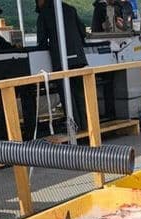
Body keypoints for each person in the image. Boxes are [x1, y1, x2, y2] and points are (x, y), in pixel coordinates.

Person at [36, 0, 88, 129]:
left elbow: (41, 41)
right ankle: (87, 126)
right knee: (80, 95)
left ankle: (75, 128)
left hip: (61, 60)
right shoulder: (70, 9)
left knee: (67, 96)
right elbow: (83, 32)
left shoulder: (44, 13)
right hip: (78, 58)